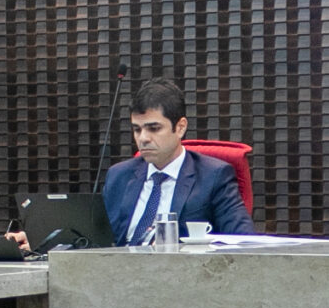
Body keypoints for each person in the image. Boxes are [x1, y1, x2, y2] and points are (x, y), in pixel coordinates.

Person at [99, 82, 255, 243]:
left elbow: (243, 241)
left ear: (180, 127)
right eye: (137, 129)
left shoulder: (213, 177)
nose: (143, 138)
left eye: (154, 128)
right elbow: (98, 240)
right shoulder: (118, 176)